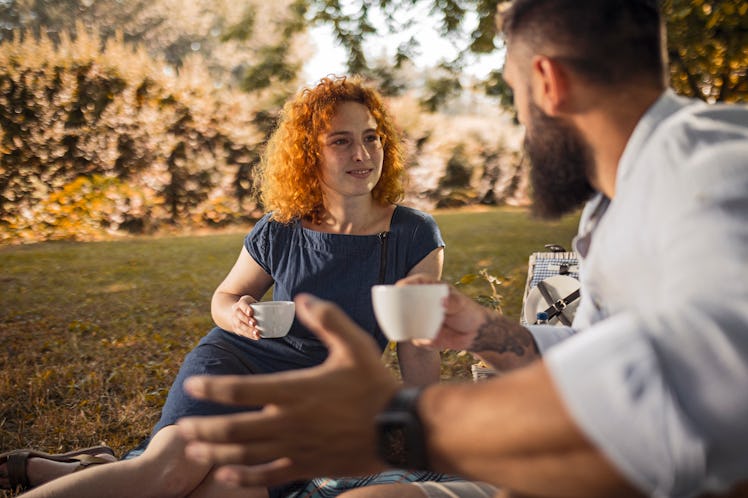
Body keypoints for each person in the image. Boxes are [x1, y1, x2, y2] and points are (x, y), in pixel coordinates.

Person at [172, 1, 748, 497]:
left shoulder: (714, 165)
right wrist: (484, 332)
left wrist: (405, 424)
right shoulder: (617, 202)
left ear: (547, 82)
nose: (521, 119)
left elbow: (711, 387)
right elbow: (595, 354)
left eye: (513, 92)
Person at [6, 75, 460, 497]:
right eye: (340, 141)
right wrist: (237, 313)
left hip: (315, 402)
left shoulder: (413, 234)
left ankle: (86, 469)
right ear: (309, 154)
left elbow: (417, 343)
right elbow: (223, 299)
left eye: (371, 138)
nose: (362, 154)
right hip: (235, 364)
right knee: (168, 473)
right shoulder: (280, 228)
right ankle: (111, 468)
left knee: (225, 488)